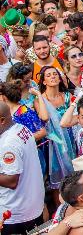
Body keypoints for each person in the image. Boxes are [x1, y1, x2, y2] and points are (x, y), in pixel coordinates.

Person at [0, 100, 44, 234]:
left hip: (15, 214)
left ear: (2, 120)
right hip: (31, 205)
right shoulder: (21, 128)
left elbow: (12, 180)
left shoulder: (9, 144)